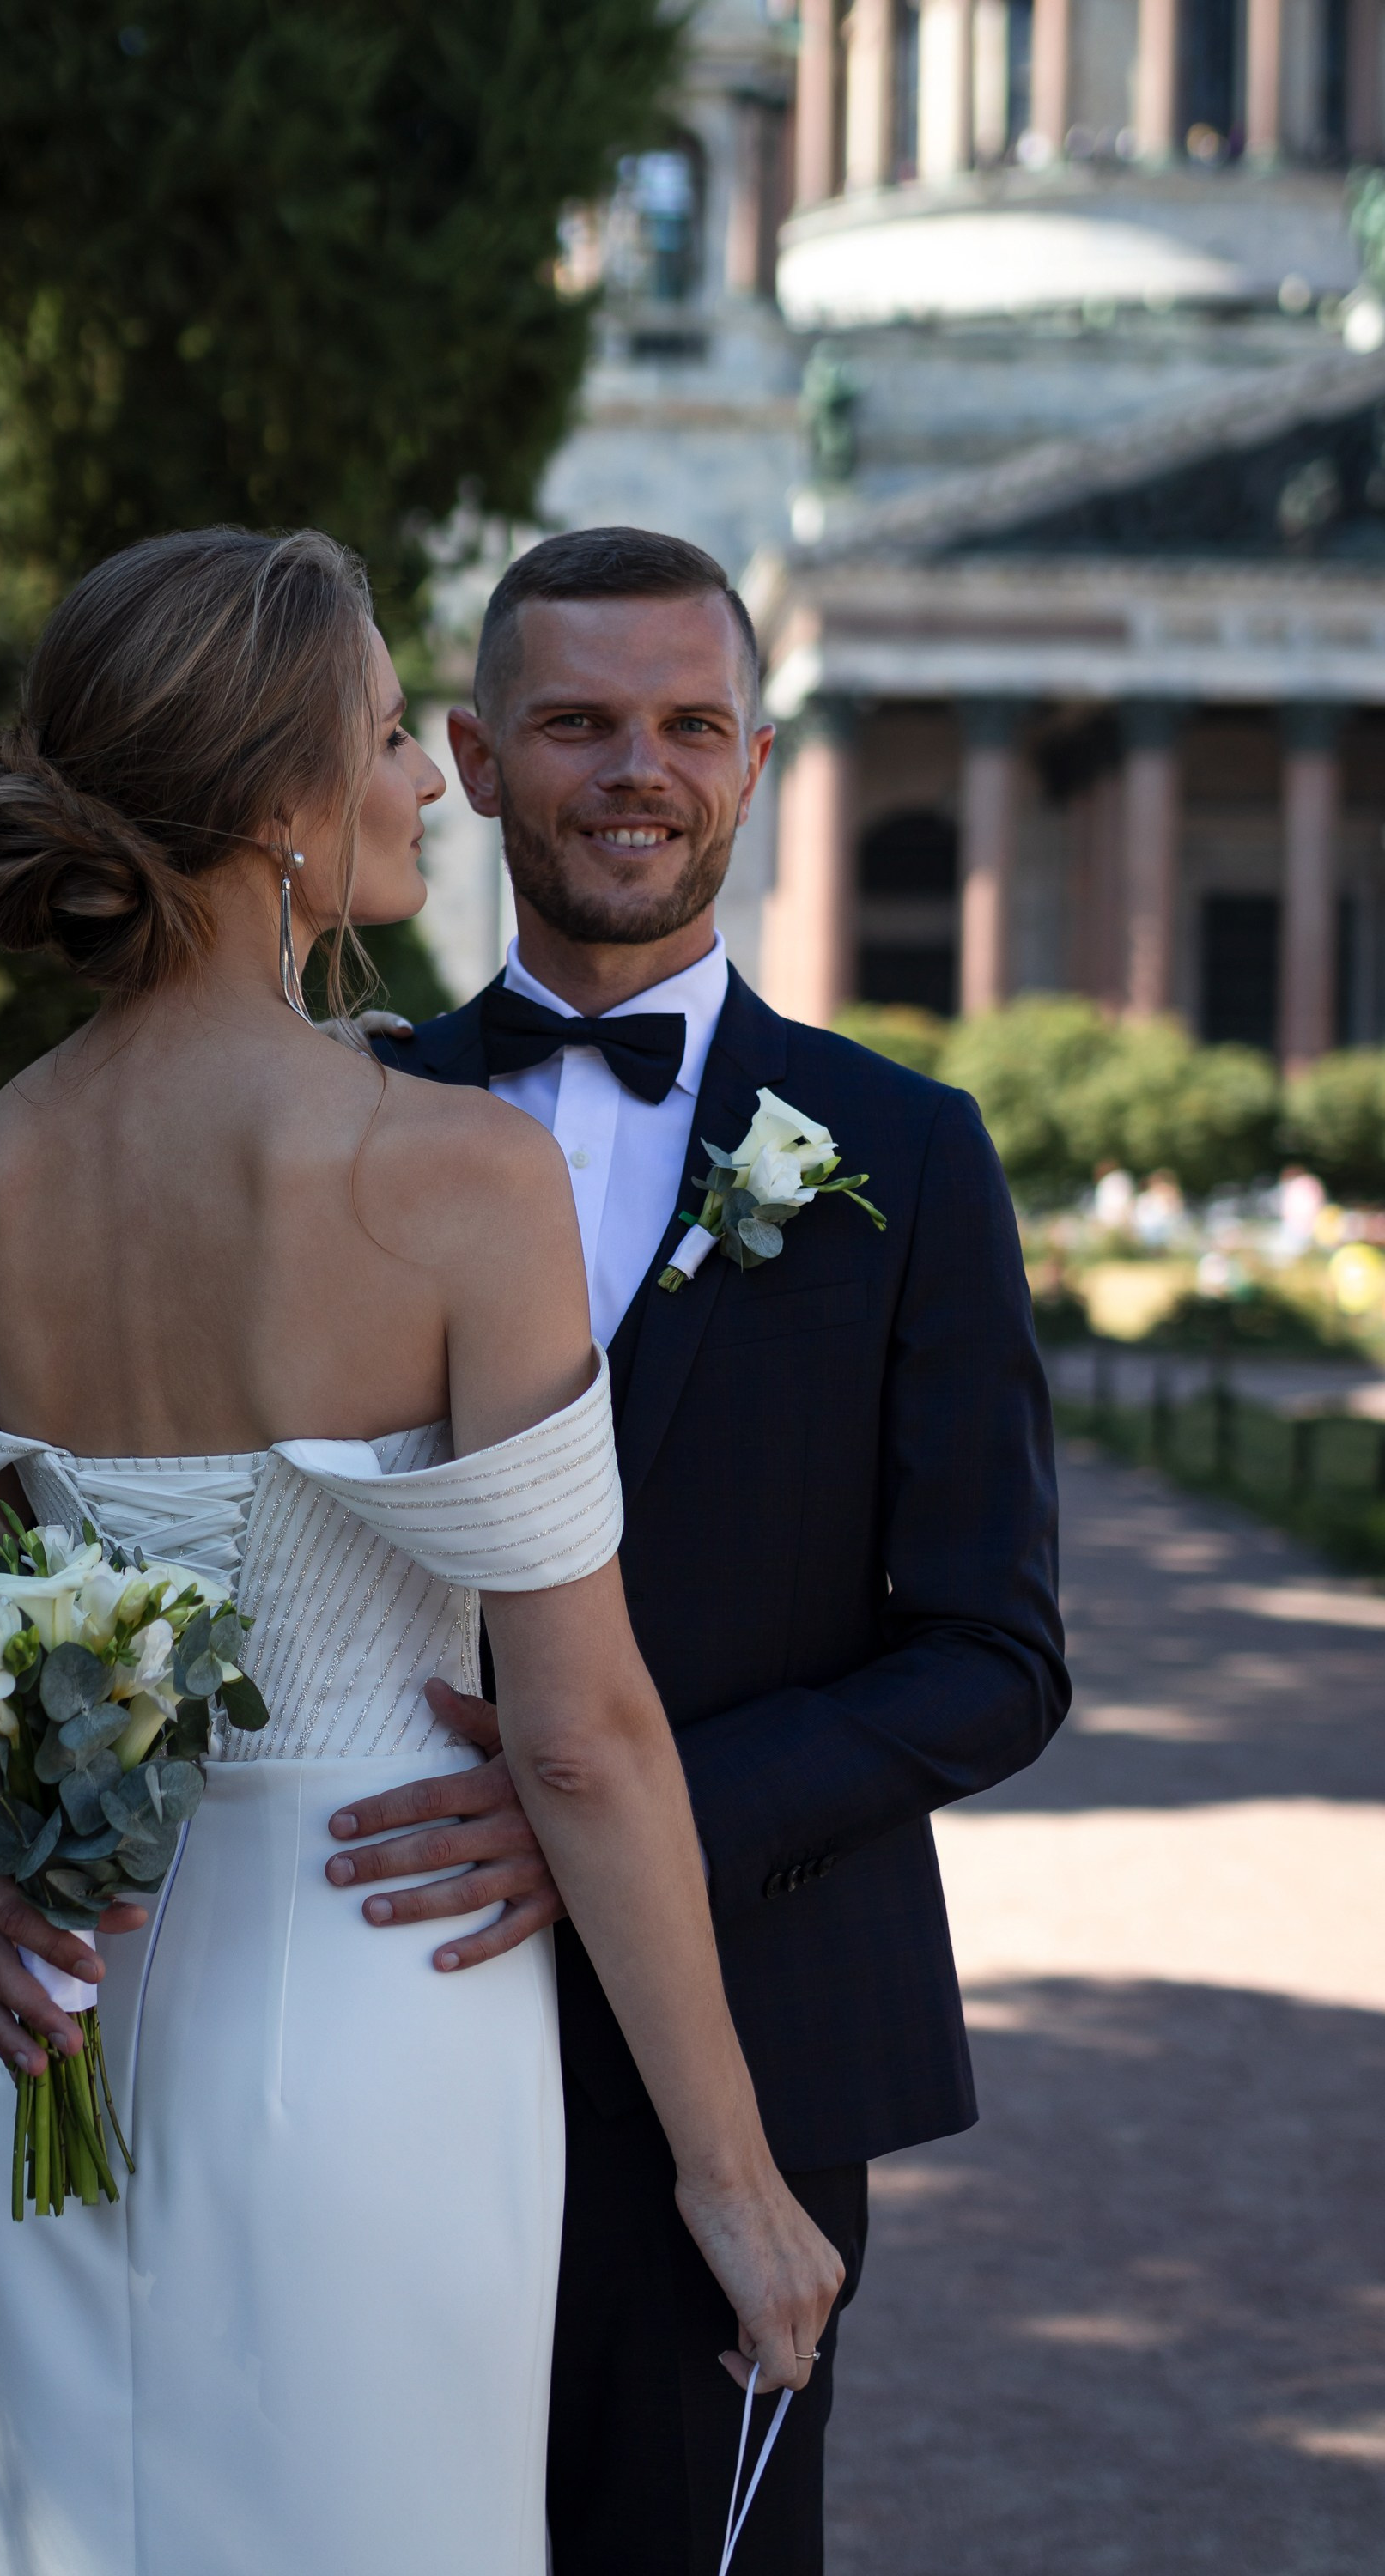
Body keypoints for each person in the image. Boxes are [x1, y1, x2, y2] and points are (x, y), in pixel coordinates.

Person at [0, 525, 839, 2576]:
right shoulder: (451, 1176)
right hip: (376, 2010)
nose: (430, 779)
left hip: (67, 2022)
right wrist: (732, 2178)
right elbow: (579, 1736)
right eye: (396, 735)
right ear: (277, 816)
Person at [325, 526, 1070, 2569]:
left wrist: (617, 1825)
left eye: (684, 725)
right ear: (472, 761)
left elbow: (996, 1655)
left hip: (759, 2013)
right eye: (574, 724)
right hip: (367, 1987)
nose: (632, 768)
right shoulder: (334, 1126)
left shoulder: (907, 1151)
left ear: (752, 764)